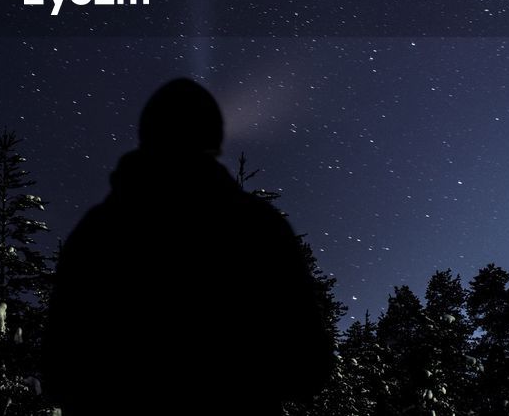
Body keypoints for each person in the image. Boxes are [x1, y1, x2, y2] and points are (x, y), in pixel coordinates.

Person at [42, 78, 334, 415]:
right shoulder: (258, 227)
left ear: (147, 135)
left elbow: (58, 372)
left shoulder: (96, 231)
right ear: (213, 137)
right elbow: (309, 367)